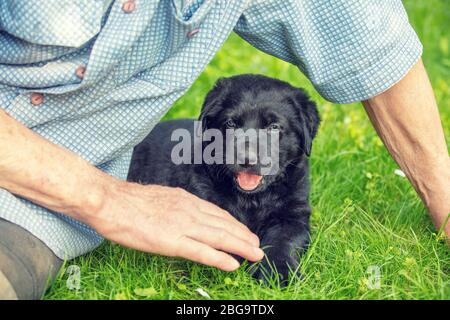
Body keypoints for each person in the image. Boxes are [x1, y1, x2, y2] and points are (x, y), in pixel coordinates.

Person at [0, 0, 448, 300]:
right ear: (209, 125)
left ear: (304, 135)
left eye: (271, 130)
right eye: (233, 127)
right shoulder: (192, 160)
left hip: (43, 209)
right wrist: (106, 198)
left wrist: (445, 202)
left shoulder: (289, 168)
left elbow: (373, 40)